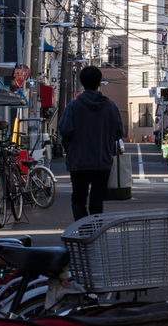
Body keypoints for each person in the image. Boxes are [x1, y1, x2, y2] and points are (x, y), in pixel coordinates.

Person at [58, 66, 123, 220]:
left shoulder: (73, 106)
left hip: (79, 162)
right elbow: (119, 133)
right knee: (97, 201)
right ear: (99, 82)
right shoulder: (111, 107)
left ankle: (84, 231)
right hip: (102, 162)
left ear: (82, 83)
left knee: (78, 200)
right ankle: (94, 232)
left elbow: (65, 131)